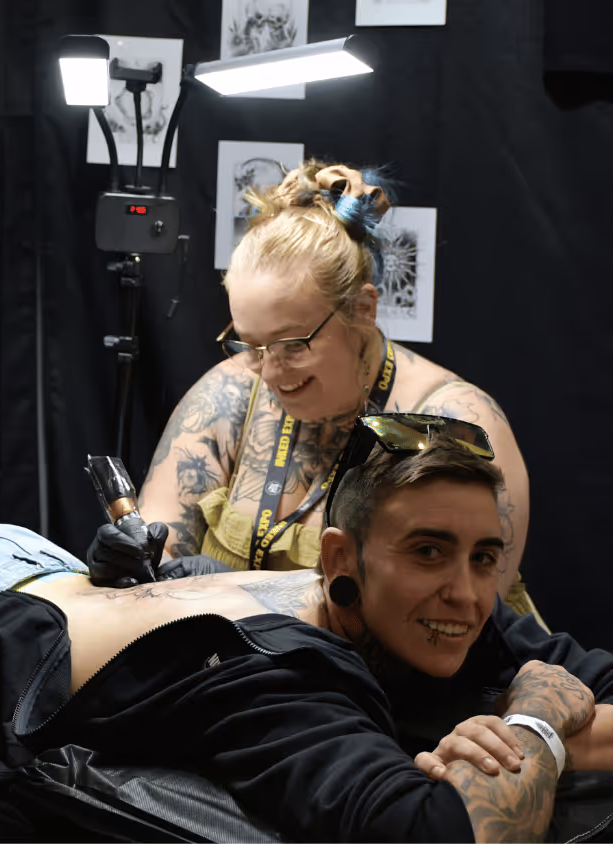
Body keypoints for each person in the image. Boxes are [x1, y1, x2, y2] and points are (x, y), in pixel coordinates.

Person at [0, 415, 612, 843]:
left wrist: (519, 735)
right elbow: (450, 834)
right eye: (428, 551)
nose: (467, 594)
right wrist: (535, 722)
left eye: (484, 557)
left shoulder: (447, 606)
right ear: (339, 559)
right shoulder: (279, 679)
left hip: (38, 571)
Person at [87, 159, 537, 619]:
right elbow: (161, 560)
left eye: (292, 344)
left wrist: (229, 590)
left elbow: (447, 616)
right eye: (251, 344)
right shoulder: (231, 392)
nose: (268, 371)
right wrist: (133, 564)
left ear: (363, 309)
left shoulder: (454, 421)